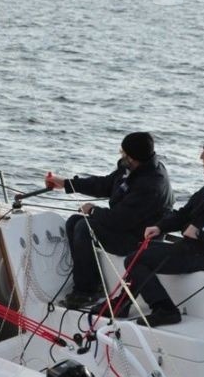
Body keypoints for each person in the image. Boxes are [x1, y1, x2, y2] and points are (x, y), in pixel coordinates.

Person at [117, 134, 204, 327]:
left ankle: (165, 310)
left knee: (135, 259)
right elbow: (186, 213)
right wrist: (160, 227)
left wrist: (201, 231)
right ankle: (122, 304)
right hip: (192, 248)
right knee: (139, 251)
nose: (201, 157)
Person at [45, 132, 174, 309]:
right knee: (74, 222)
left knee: (84, 227)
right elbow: (105, 184)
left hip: (139, 239)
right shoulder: (133, 169)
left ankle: (87, 292)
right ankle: (92, 282)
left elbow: (119, 220)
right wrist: (67, 184)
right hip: (126, 228)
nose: (121, 155)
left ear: (133, 157)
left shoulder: (152, 184)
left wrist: (93, 210)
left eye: (123, 153)